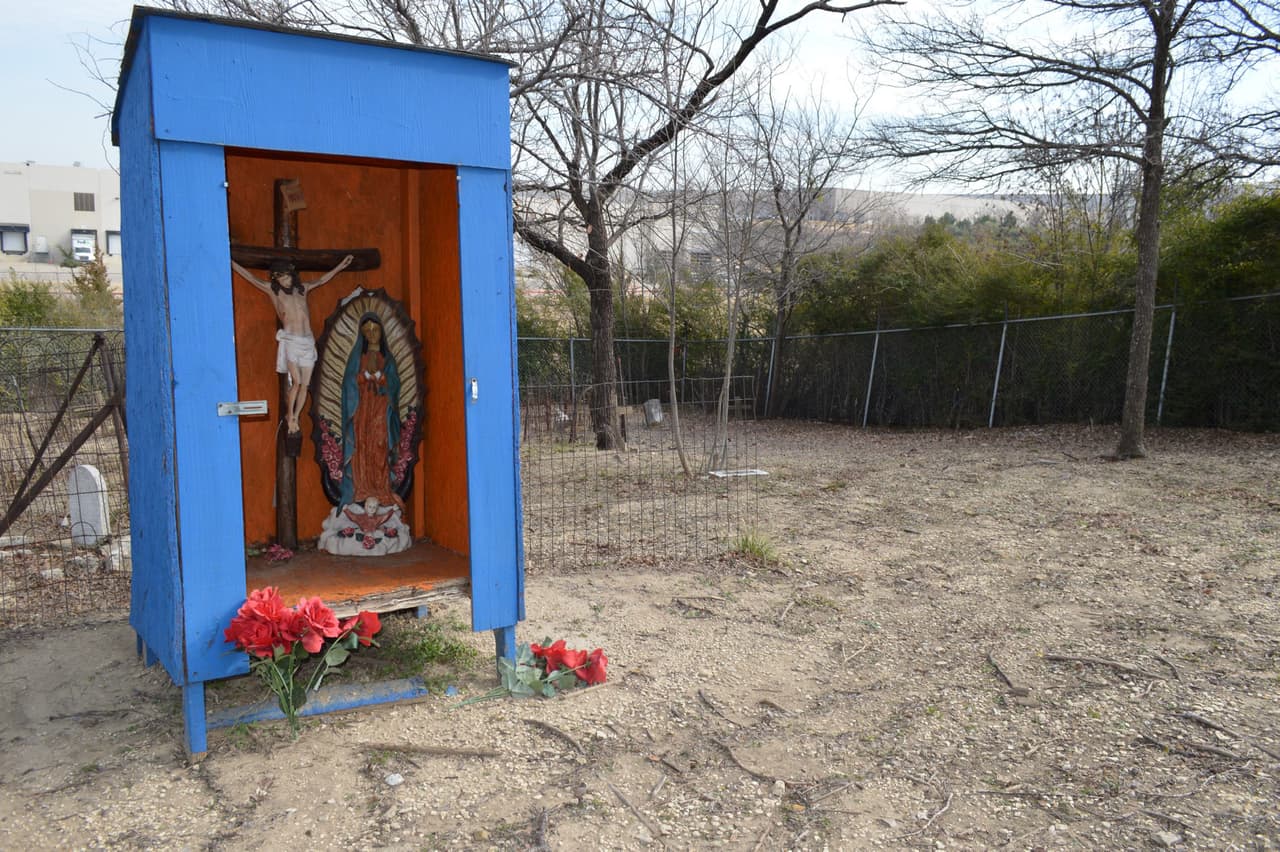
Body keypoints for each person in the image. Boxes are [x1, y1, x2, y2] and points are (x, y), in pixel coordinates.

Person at [230, 253, 354, 434]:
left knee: (305, 384)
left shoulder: (303, 288)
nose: (284, 281)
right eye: (280, 278)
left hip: (307, 341)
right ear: (276, 280)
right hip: (291, 341)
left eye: (286, 276)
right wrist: (230, 261)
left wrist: (341, 265)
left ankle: (296, 415)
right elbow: (250, 277)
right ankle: (291, 417)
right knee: (296, 382)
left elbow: (322, 280)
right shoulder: (274, 291)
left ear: (292, 275)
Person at [340, 314, 404, 510]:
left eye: (375, 330)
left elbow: (394, 384)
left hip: (380, 409)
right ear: (363, 334)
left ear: (381, 332)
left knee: (379, 445)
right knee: (362, 446)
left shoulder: (388, 358)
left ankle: (380, 488)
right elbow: (348, 383)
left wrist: (382, 378)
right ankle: (362, 489)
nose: (372, 334)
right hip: (362, 411)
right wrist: (362, 377)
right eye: (367, 331)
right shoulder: (358, 357)